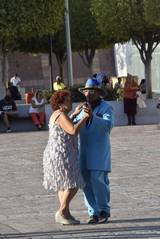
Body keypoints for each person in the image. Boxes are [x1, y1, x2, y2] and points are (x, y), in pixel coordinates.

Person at [43, 90, 90, 225]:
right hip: (62, 154)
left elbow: (67, 123)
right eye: (68, 100)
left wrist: (75, 113)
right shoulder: (61, 115)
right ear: (61, 103)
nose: (71, 102)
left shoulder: (57, 114)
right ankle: (62, 211)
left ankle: (66, 214)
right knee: (73, 183)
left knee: (63, 185)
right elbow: (73, 131)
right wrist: (84, 118)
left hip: (56, 153)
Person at [73, 78, 114, 224]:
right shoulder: (82, 108)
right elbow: (72, 126)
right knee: (86, 183)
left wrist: (93, 117)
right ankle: (93, 213)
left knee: (98, 180)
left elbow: (108, 126)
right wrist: (74, 114)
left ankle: (104, 209)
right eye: (86, 91)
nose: (88, 94)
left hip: (99, 151)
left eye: (92, 91)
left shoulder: (106, 108)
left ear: (98, 93)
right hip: (84, 151)